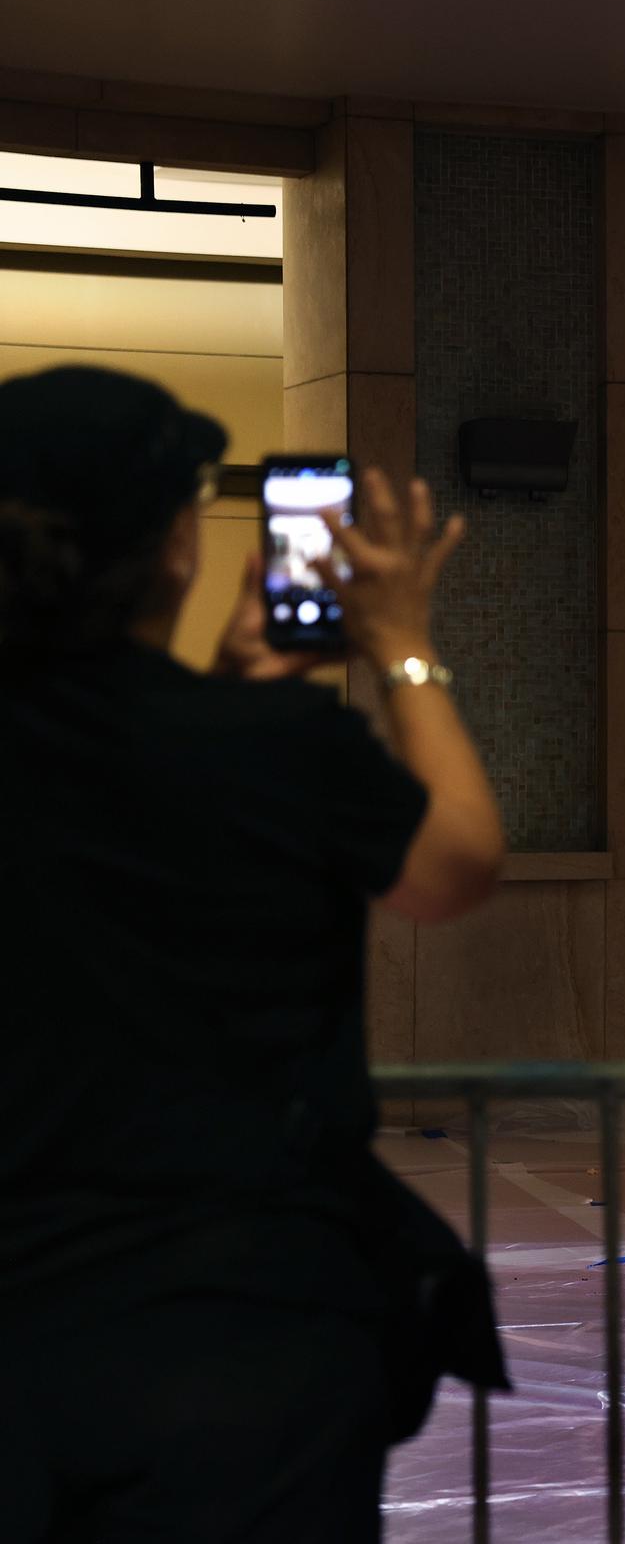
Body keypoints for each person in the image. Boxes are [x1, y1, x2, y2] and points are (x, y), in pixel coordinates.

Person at [0, 366, 510, 1541]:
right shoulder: (268, 745)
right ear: (177, 548)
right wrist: (402, 649)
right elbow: (456, 864)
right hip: (240, 1331)